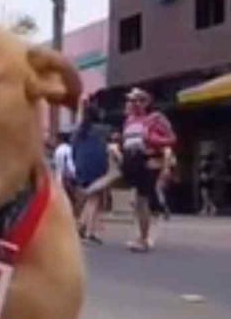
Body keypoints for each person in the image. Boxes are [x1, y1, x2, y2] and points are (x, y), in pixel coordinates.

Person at [121, 87, 177, 252]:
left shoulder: (155, 119)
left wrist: (152, 143)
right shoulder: (129, 121)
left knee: (142, 199)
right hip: (131, 161)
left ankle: (144, 239)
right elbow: (127, 141)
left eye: (135, 100)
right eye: (130, 100)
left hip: (147, 161)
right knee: (138, 201)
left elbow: (172, 138)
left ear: (145, 102)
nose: (131, 103)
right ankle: (142, 236)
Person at [72, 105, 110, 245]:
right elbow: (104, 151)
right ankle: (85, 230)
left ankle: (87, 228)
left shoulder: (78, 131)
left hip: (82, 166)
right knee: (94, 198)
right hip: (97, 167)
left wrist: (77, 166)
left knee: (91, 197)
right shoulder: (102, 130)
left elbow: (74, 151)